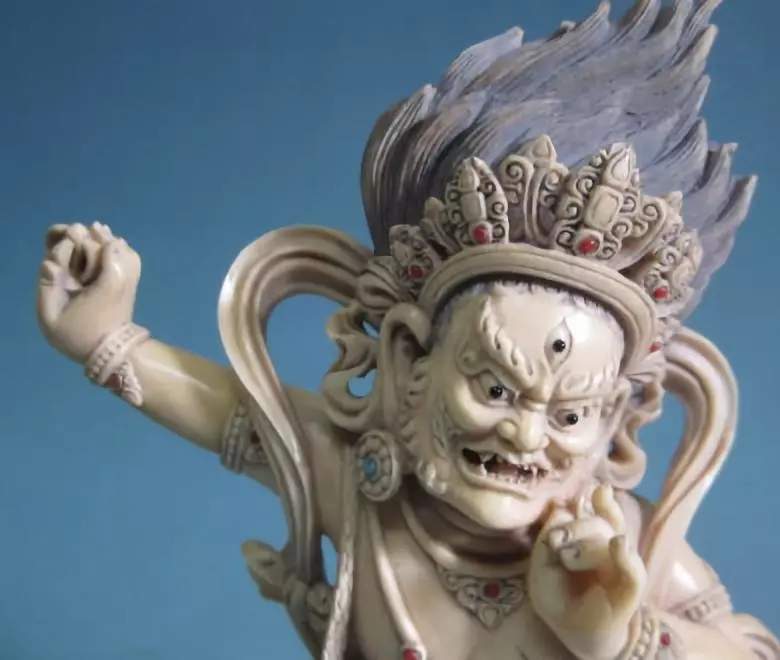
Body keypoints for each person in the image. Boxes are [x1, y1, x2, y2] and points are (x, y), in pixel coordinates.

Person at [37, 2, 779, 658]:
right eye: (495, 388)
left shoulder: (622, 544)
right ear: (407, 357)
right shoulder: (365, 492)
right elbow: (236, 415)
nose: (525, 435)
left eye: (570, 415)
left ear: (613, 416)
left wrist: (621, 638)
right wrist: (105, 340)